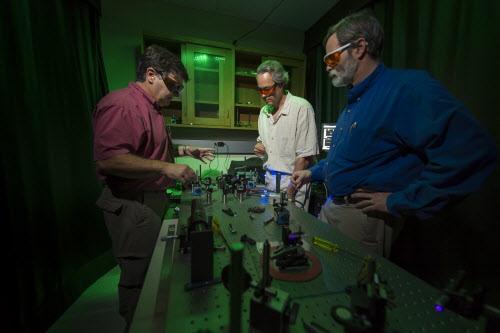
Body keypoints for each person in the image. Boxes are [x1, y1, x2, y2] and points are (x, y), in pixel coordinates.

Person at [291, 12, 497, 259]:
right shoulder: (353, 103)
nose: (327, 66)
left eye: (332, 57)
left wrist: (399, 200)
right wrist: (311, 173)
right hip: (332, 209)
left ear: (359, 48)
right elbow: (348, 161)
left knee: (347, 294)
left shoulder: (405, 89)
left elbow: (471, 152)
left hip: (362, 219)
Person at [92, 45, 213, 329]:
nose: (175, 93)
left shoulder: (151, 109)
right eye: (173, 85)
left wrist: (186, 150)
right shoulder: (121, 105)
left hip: (150, 202)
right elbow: (110, 160)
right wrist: (166, 168)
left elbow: (152, 147)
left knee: (152, 276)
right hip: (133, 205)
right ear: (150, 74)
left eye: (179, 89)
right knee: (139, 282)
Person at [253, 60, 319, 208]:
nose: (263, 95)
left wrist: (290, 191)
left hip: (295, 186)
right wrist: (260, 146)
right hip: (270, 184)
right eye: (260, 90)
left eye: (267, 89)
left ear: (281, 84)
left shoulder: (301, 108)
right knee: (270, 229)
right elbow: (263, 141)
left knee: (292, 230)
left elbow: (304, 157)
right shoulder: (264, 113)